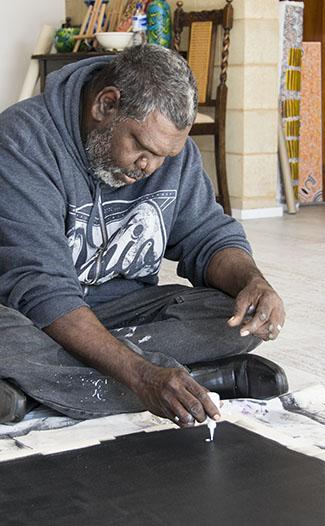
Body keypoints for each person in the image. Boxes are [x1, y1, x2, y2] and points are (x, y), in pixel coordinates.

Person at [0, 44, 287, 426]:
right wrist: (140, 375)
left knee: (233, 317)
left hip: (121, 314)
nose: (149, 167)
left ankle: (40, 391)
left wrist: (253, 282)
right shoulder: (22, 141)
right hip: (34, 318)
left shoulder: (166, 152)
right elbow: (41, 291)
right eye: (141, 147)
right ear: (105, 105)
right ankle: (205, 378)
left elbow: (207, 234)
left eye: (164, 157)